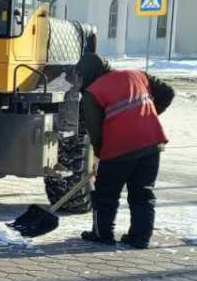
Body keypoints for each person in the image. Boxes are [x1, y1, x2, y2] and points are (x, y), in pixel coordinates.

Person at [75, 52, 175, 249]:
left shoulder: (92, 91)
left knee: (105, 195)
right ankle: (140, 238)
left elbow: (95, 129)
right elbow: (168, 92)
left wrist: (99, 154)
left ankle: (103, 234)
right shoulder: (138, 75)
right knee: (143, 193)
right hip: (151, 143)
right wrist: (148, 114)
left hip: (119, 148)